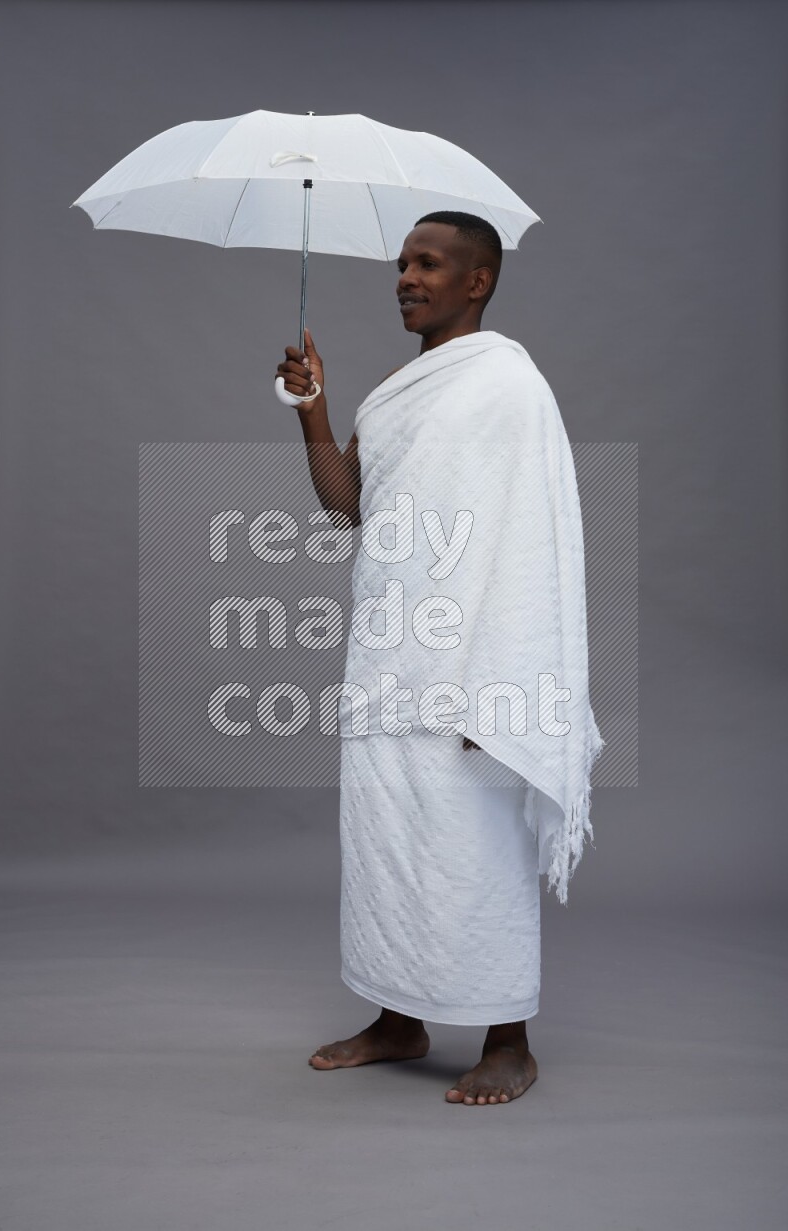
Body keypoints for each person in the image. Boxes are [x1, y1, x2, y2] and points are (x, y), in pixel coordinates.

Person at [275, 211, 581, 1106]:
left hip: (472, 666)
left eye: (428, 263)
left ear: (477, 281)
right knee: (387, 847)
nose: (406, 276)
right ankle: (399, 1020)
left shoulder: (507, 386)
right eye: (403, 263)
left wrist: (509, 683)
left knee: (473, 848)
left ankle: (508, 1039)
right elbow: (346, 506)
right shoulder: (391, 396)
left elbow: (534, 539)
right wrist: (316, 407)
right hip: (389, 657)